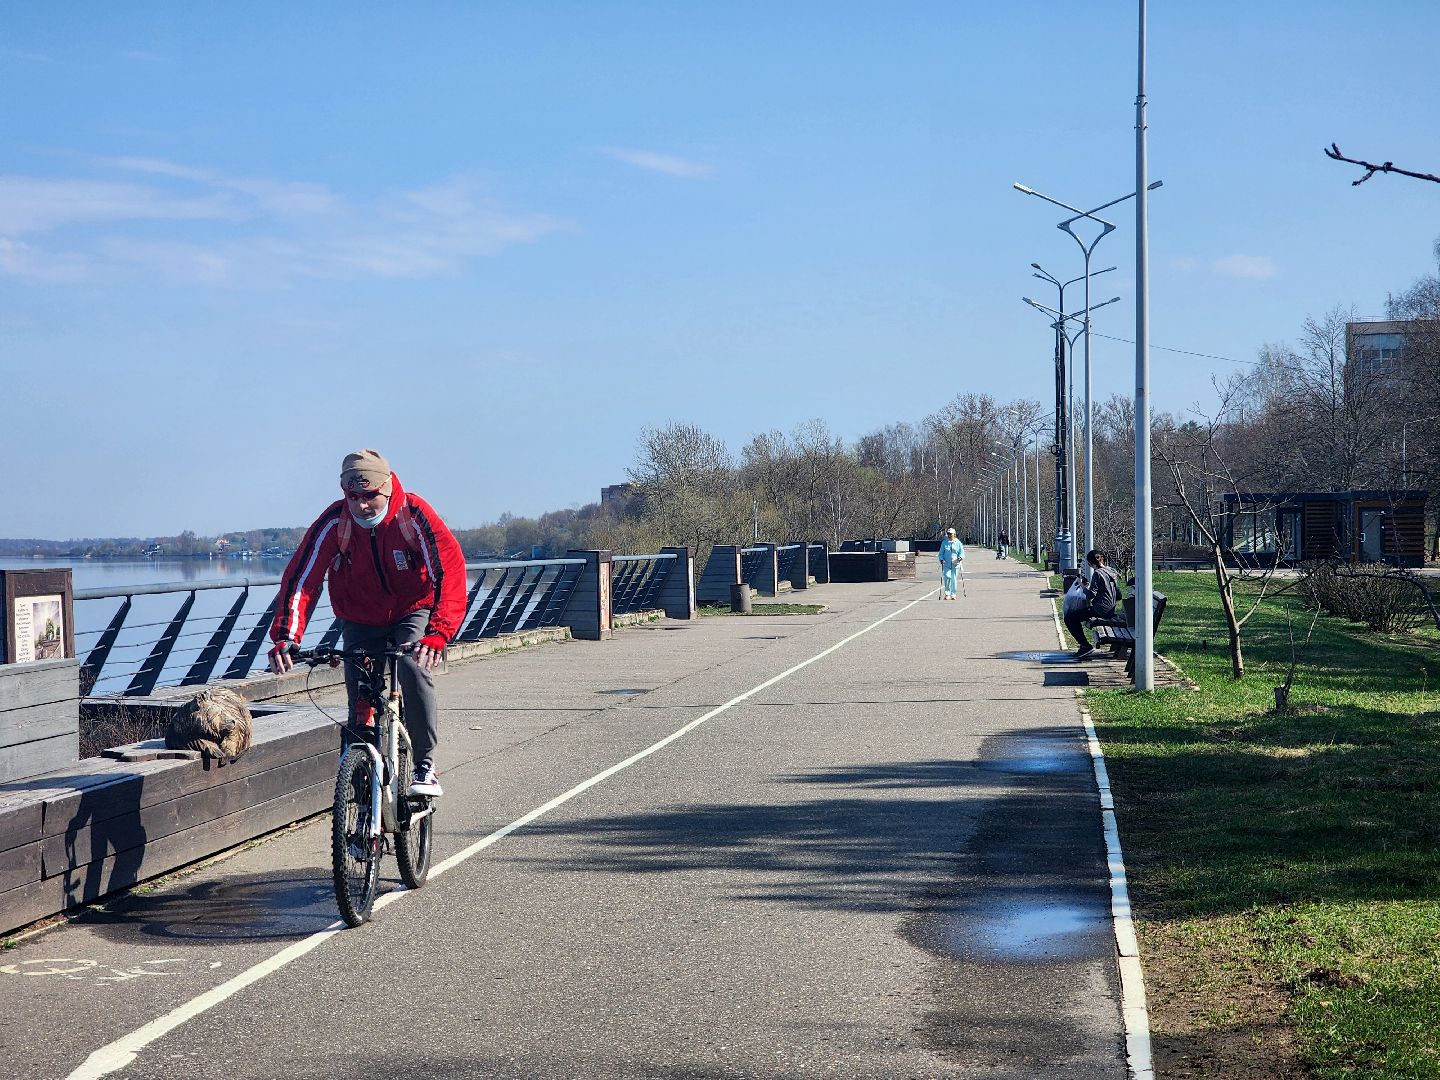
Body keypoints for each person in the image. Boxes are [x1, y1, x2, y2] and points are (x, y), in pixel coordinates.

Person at [268, 449, 466, 797]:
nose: (361, 506)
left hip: (412, 609)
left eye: (370, 496)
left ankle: (425, 764)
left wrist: (438, 633)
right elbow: (302, 579)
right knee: (360, 698)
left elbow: (448, 571)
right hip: (359, 616)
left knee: (412, 665)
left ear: (387, 488)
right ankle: (359, 795)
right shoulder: (335, 522)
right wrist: (287, 636)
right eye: (353, 497)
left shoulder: (413, 514)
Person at [1065, 548, 1122, 660]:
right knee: (1077, 616)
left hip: (1100, 610)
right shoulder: (1112, 571)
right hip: (1110, 609)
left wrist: (1082, 585)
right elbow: (1118, 595)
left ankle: (1085, 646)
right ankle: (1084, 645)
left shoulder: (1097, 574)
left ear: (1090, 564)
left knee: (1069, 618)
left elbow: (1091, 595)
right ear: (1103, 559)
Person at [938, 527, 965, 599]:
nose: (949, 535)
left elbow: (962, 552)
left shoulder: (958, 543)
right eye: (948, 534)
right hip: (946, 564)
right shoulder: (944, 542)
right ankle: (947, 593)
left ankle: (953, 594)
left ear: (954, 534)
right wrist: (941, 559)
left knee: (953, 579)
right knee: (947, 576)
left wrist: (960, 557)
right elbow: (941, 553)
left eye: (951, 534)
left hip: (955, 564)